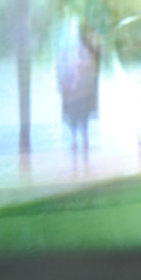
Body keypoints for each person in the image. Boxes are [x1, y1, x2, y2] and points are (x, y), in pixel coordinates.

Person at [57, 21, 100, 174]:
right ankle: (79, 163)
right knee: (79, 129)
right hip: (78, 96)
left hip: (79, 96)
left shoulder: (83, 54)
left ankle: (81, 163)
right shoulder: (77, 54)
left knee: (80, 129)